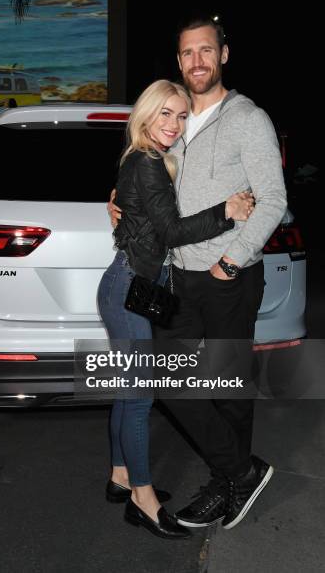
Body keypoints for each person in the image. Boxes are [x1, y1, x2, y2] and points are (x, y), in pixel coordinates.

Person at [109, 17, 287, 531]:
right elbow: (149, 177)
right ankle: (240, 472)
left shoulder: (248, 118)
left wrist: (233, 260)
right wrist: (120, 201)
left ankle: (225, 482)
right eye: (188, 53)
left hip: (228, 274)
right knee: (170, 378)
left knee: (226, 384)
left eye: (206, 51)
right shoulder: (178, 119)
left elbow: (273, 199)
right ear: (179, 60)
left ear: (224, 54)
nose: (197, 62)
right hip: (175, 277)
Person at [98, 79, 254, 539]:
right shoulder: (146, 163)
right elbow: (170, 231)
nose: (174, 124)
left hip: (134, 287)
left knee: (129, 391)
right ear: (146, 115)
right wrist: (227, 210)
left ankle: (119, 475)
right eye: (165, 113)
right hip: (130, 288)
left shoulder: (144, 160)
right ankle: (142, 501)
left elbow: (144, 219)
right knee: (141, 395)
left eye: (182, 115)